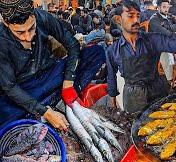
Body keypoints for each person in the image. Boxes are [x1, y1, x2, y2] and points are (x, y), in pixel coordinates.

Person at [0, 0, 105, 129]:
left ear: (33, 15)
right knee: (3, 114)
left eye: (31, 28)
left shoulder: (42, 17)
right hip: (25, 88)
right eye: (19, 33)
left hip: (51, 75)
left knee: (96, 52)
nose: (28, 37)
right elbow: (10, 87)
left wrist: (68, 82)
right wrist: (46, 112)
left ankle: (60, 96)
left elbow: (72, 45)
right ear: (6, 23)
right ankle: (50, 101)